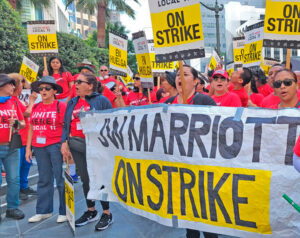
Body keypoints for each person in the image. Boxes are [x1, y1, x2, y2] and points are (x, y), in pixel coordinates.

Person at [164, 65, 217, 238]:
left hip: (203, 168)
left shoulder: (205, 101)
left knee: (208, 216)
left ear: (195, 81)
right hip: (179, 169)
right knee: (188, 216)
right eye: (178, 74)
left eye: (185, 74)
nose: (180, 77)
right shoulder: (166, 105)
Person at [60, 72, 114, 230]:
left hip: (97, 146)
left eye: (79, 82)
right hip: (77, 145)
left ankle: (107, 213)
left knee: (100, 178)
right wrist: (64, 142)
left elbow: (111, 122)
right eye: (75, 81)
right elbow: (66, 125)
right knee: (86, 179)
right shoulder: (72, 103)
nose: (75, 84)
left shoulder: (102, 100)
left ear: (90, 85)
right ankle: (91, 211)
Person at [26, 76, 67, 223]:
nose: (43, 91)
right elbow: (31, 127)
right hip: (39, 146)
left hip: (55, 145)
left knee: (60, 178)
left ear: (54, 91)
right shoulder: (36, 107)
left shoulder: (60, 106)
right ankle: (44, 211)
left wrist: (64, 144)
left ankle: (65, 210)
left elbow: (66, 127)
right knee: (43, 179)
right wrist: (28, 148)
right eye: (41, 88)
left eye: (47, 88)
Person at [0, 74, 25, 220]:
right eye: (11, 85)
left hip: (12, 148)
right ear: (2, 86)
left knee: (14, 179)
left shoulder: (14, 103)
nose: (14, 87)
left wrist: (16, 123)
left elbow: (23, 123)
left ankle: (12, 208)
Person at [9, 73, 37, 200]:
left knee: (26, 163)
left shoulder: (15, 99)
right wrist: (31, 102)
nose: (23, 86)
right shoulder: (12, 99)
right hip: (19, 138)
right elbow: (27, 112)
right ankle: (20, 189)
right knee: (21, 164)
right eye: (21, 83)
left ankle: (23, 187)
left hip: (24, 137)